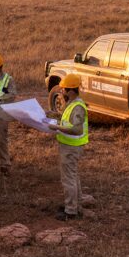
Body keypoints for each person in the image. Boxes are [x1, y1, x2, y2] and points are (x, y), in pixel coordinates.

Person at [47, 74, 88, 220]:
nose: (61, 92)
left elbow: (77, 129)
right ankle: (76, 205)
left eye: (64, 89)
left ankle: (70, 211)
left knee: (68, 179)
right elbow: (66, 121)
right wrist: (51, 115)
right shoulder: (71, 103)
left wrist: (57, 128)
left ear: (71, 90)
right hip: (69, 146)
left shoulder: (77, 107)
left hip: (71, 147)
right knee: (73, 177)